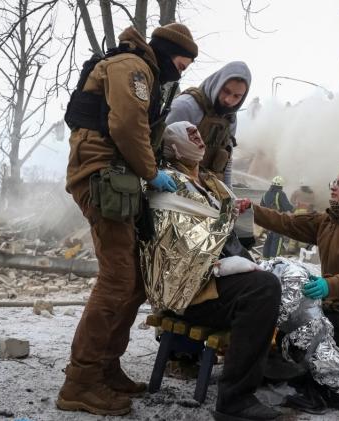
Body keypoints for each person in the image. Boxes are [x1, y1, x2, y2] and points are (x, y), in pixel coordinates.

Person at [58, 23, 198, 416]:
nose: (184, 69)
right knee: (117, 278)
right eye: (183, 61)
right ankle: (80, 383)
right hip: (102, 177)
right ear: (169, 51)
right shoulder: (132, 68)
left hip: (118, 179)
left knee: (134, 280)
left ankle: (105, 366)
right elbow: (125, 124)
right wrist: (151, 172)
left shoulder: (148, 72)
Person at [151, 121, 283, 421]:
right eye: (190, 135)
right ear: (173, 147)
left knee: (287, 276)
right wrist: (225, 264)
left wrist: (242, 222)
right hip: (191, 293)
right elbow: (178, 248)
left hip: (217, 278)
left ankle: (283, 366)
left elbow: (234, 234)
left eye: (199, 133)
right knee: (263, 288)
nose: (198, 138)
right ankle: (235, 401)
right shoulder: (168, 184)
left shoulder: (209, 182)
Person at [248, 166, 339, 413]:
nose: (333, 187)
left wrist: (331, 285)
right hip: (333, 307)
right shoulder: (328, 221)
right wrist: (251, 210)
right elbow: (287, 222)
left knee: (308, 341)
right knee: (286, 337)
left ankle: (330, 392)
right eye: (333, 183)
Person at [166, 61, 251, 187]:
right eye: (226, 91)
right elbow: (160, 151)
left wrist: (230, 197)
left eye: (237, 96)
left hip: (209, 188)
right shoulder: (185, 106)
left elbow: (226, 162)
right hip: (176, 185)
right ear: (218, 84)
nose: (229, 100)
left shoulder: (230, 118)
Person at [260, 176, 293, 258]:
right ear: (281, 185)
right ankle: (274, 259)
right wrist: (296, 209)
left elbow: (262, 207)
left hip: (268, 221)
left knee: (269, 238)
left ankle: (265, 258)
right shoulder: (280, 194)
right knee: (277, 240)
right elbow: (287, 207)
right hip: (277, 220)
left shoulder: (265, 194)